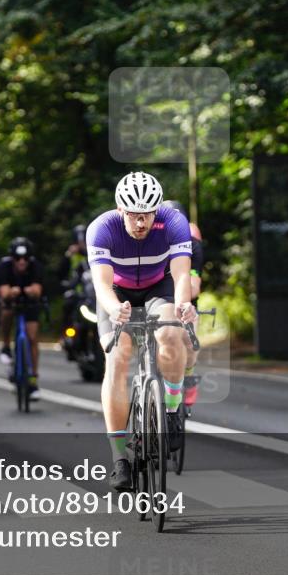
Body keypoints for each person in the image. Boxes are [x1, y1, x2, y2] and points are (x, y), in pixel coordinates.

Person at [88, 172, 196, 491]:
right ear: (120, 210)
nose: (140, 222)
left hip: (157, 287)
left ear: (156, 210)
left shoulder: (173, 222)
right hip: (116, 292)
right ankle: (119, 458)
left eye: (147, 214)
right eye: (134, 214)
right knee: (117, 358)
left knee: (171, 334)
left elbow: (181, 275)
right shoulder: (101, 228)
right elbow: (102, 284)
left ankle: (172, 410)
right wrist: (113, 308)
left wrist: (183, 305)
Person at [161, 200, 205, 408]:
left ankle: (188, 375)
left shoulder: (193, 245)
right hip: (158, 297)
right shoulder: (149, 240)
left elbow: (194, 286)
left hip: (184, 299)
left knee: (189, 338)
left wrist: (180, 294)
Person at [0, 237, 43, 396]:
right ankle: (6, 345)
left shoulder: (36, 267)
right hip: (11, 303)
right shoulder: (3, 267)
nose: (22, 262)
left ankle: (33, 378)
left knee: (32, 337)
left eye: (25, 258)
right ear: (12, 258)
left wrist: (30, 292)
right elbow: (4, 293)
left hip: (30, 303)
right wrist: (11, 293)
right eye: (17, 258)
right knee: (6, 312)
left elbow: (37, 290)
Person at [58, 224, 89, 355]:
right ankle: (66, 335)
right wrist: (68, 255)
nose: (81, 244)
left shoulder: (94, 251)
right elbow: (61, 272)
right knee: (68, 304)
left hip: (91, 292)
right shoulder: (71, 254)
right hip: (75, 290)